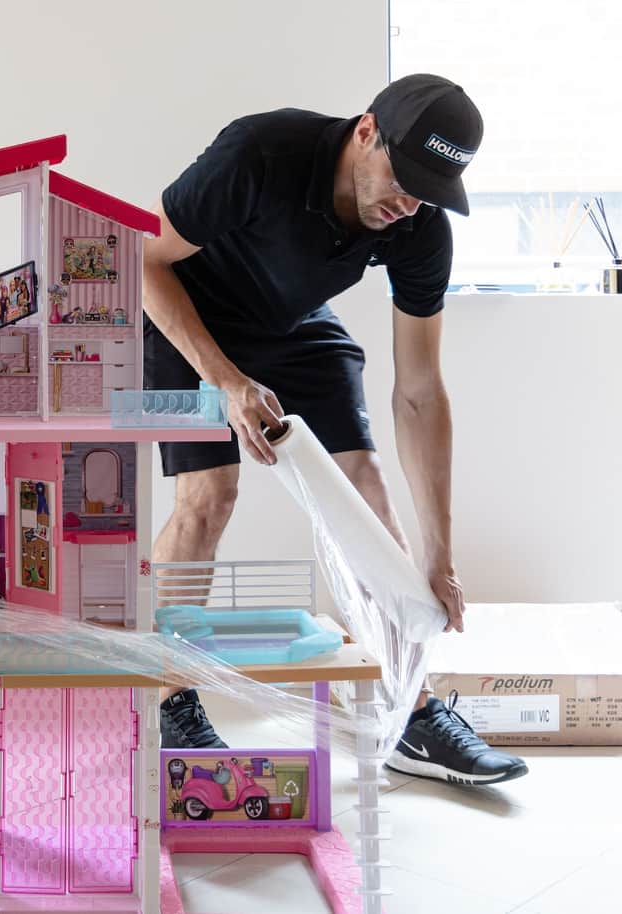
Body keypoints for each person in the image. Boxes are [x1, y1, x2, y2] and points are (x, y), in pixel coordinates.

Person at [143, 75, 528, 787]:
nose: (407, 204)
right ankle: (172, 701)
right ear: (366, 131)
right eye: (402, 180)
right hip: (188, 315)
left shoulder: (418, 228)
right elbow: (144, 258)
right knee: (210, 496)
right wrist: (225, 380)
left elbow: (420, 392)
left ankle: (411, 712)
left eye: (427, 192)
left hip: (292, 324)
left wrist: (439, 554)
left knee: (366, 495)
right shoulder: (261, 151)